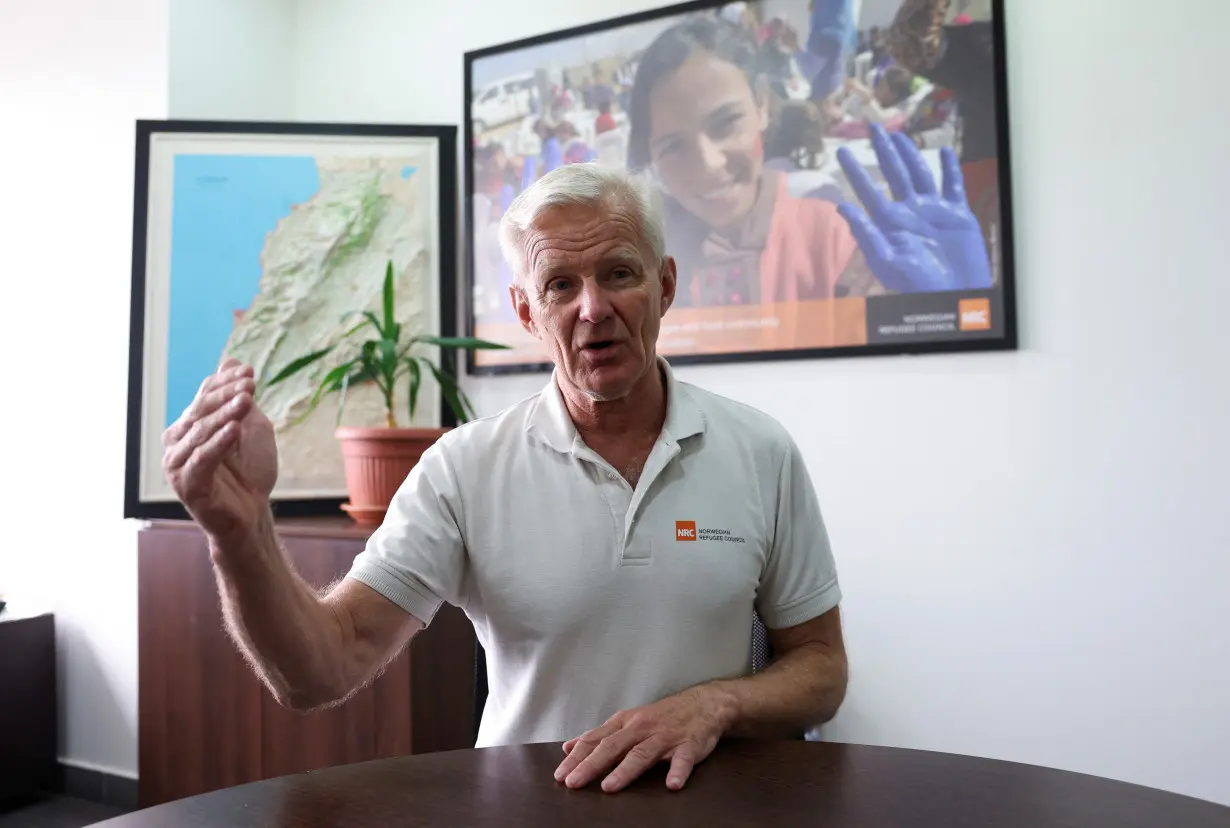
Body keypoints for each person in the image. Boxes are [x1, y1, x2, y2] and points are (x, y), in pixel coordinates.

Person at [161, 163, 849, 795]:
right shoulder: (465, 469)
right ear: (525, 312)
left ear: (664, 285)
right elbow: (322, 670)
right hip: (530, 810)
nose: (592, 309)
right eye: (560, 285)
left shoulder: (759, 450)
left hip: (706, 811)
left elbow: (820, 666)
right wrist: (241, 532)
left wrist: (715, 702)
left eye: (618, 274)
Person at [625, 15, 882, 309]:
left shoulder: (832, 237)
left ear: (762, 105)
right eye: (674, 146)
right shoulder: (643, 265)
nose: (709, 164)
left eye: (726, 124)